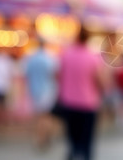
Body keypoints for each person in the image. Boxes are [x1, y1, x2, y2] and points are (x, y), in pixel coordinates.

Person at [58, 26, 109, 160]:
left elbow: (58, 75)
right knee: (87, 140)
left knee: (72, 138)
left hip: (69, 102)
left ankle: (73, 154)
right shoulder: (92, 57)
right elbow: (100, 81)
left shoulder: (66, 54)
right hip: (88, 104)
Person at [22, 38, 58, 150]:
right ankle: (45, 137)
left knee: (39, 116)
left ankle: (41, 137)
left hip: (35, 91)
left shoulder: (31, 59)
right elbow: (55, 75)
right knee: (46, 116)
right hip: (48, 91)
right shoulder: (49, 58)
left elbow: (26, 74)